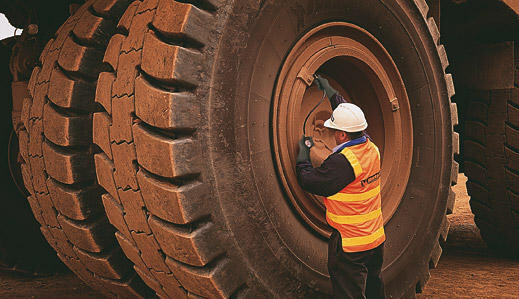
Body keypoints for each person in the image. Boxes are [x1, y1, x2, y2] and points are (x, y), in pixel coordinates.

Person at [296, 76, 385, 299]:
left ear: (342, 135)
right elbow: (351, 120)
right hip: (375, 240)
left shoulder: (343, 163)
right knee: (374, 289)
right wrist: (331, 93)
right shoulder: (371, 147)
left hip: (350, 246)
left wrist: (304, 155)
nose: (332, 134)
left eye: (334, 130)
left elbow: (309, 181)